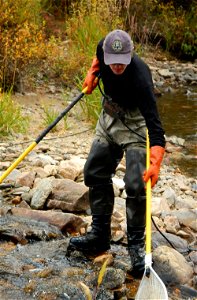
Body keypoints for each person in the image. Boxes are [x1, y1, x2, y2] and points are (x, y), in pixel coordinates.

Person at [68, 29, 165, 278]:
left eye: (122, 62)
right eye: (113, 62)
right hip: (109, 117)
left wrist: (155, 162)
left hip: (135, 124)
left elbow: (155, 127)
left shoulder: (141, 77)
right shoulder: (103, 47)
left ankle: (135, 246)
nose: (118, 66)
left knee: (135, 183)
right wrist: (93, 73)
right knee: (94, 171)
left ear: (131, 55)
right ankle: (100, 236)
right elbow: (98, 58)